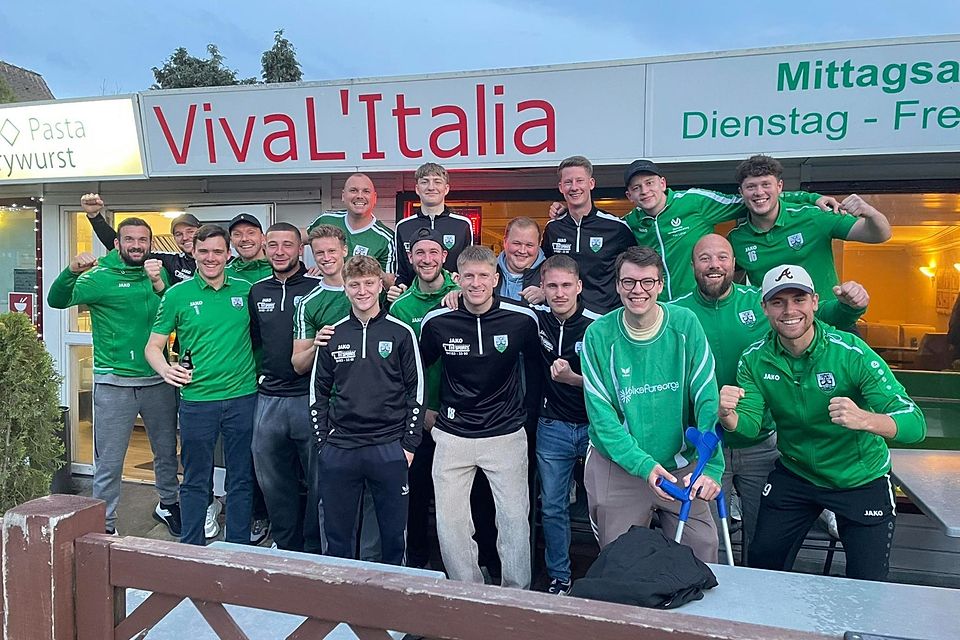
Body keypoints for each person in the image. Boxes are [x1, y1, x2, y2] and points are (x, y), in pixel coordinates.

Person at [718, 264, 926, 581]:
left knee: (869, 584)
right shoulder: (755, 358)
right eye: (778, 302)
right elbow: (750, 424)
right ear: (764, 308)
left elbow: (915, 423)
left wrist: (866, 419)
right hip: (797, 473)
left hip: (859, 478)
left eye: (799, 299)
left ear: (815, 302)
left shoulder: (851, 352)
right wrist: (729, 417)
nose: (790, 311)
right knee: (762, 567)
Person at [671, 234, 869, 561]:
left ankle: (753, 593)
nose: (714, 265)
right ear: (692, 265)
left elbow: (823, 316)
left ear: (734, 263)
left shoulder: (762, 301)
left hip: (761, 444)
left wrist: (852, 305)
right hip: (703, 446)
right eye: (704, 258)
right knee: (704, 538)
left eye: (722, 257)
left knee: (763, 540)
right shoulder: (675, 312)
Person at [580, 246, 722, 563]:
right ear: (617, 285)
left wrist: (712, 467)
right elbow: (602, 420)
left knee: (703, 549)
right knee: (619, 560)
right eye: (629, 282)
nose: (638, 290)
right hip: (620, 464)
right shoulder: (598, 335)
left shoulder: (685, 324)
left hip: (679, 464)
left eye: (647, 282)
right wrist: (643, 466)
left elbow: (707, 397)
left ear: (660, 285)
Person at [47, 215, 180, 537]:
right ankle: (104, 525)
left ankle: (168, 504)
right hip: (114, 383)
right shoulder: (99, 277)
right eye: (129, 239)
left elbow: (177, 311)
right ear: (117, 243)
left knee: (166, 452)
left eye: (142, 240)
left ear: (150, 244)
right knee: (109, 461)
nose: (136, 245)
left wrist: (160, 284)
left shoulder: (156, 272)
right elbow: (56, 300)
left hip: (158, 380)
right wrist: (71, 271)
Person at [419, 246, 541, 588]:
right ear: (457, 279)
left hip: (505, 434)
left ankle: (516, 593)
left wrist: (526, 417)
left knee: (514, 520)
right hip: (453, 434)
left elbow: (537, 368)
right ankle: (468, 590)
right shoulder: (437, 321)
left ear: (496, 279)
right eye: (469, 276)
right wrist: (425, 411)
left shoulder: (522, 318)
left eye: (483, 276)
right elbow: (416, 369)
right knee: (451, 523)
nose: (476, 283)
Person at [145, 224, 258, 546]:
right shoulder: (177, 295)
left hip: (243, 397)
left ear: (228, 254)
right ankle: (191, 549)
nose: (211, 258)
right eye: (204, 251)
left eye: (218, 252)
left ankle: (237, 547)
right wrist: (166, 370)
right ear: (193, 252)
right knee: (196, 479)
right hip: (197, 401)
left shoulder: (246, 290)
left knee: (241, 478)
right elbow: (153, 347)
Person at [311, 256, 424, 566]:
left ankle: (391, 593)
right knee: (337, 536)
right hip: (341, 448)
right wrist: (323, 442)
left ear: (380, 286)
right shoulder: (333, 334)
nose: (362, 291)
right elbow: (318, 392)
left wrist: (409, 444)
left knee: (393, 536)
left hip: (388, 447)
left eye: (369, 283)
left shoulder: (401, 332)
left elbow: (416, 390)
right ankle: (340, 592)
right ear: (345, 288)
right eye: (355, 285)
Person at [620, 160, 839, 301]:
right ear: (629, 196)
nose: (645, 191)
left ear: (662, 183)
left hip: (698, 303)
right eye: (637, 188)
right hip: (660, 307)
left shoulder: (693, 202)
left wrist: (809, 198)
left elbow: (753, 199)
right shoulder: (631, 222)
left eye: (649, 183)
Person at [248, 222, 323, 552]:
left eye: (288, 245)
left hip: (309, 397)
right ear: (265, 248)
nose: (280, 252)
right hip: (269, 399)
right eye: (274, 245)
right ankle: (285, 543)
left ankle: (314, 547)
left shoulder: (318, 288)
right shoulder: (257, 291)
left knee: (318, 480)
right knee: (272, 480)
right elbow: (254, 341)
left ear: (300, 249)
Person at [389, 227, 459, 569]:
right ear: (410, 258)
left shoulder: (461, 293)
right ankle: (416, 562)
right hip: (420, 417)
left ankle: (456, 564)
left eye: (434, 252)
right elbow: (401, 368)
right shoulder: (401, 307)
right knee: (415, 493)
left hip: (462, 417)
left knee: (457, 498)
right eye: (420, 253)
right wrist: (422, 410)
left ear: (444, 257)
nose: (427, 259)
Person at [728, 155, 891, 300]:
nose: (759, 192)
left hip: (827, 319)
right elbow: (731, 288)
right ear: (741, 192)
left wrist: (871, 213)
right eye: (751, 187)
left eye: (766, 184)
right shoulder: (736, 239)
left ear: (779, 186)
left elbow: (879, 235)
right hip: (777, 322)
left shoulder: (813, 217)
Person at [530, 255, 600, 594]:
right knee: (552, 507)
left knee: (604, 505)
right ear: (542, 288)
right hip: (552, 426)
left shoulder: (599, 325)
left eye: (566, 285)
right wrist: (454, 293)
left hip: (594, 428)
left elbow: (614, 385)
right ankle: (560, 576)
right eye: (553, 286)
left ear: (579, 286)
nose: (560, 293)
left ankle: (608, 574)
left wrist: (574, 379)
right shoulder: (535, 319)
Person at [541, 156, 635, 313]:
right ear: (561, 187)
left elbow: (634, 271)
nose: (574, 187)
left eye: (580, 181)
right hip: (566, 318)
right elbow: (543, 269)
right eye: (568, 182)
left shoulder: (617, 227)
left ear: (591, 183)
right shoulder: (553, 228)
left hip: (604, 317)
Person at [80, 193, 200, 284]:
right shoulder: (173, 261)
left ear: (201, 232)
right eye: (178, 234)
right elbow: (125, 248)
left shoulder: (212, 258)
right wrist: (95, 217)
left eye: (190, 232)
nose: (185, 237)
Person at [306, 173, 397, 286]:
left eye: (366, 191)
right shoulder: (327, 219)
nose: (359, 196)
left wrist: (367, 268)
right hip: (329, 294)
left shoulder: (386, 238)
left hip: (363, 296)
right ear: (343, 196)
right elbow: (296, 239)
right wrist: (324, 266)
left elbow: (390, 282)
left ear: (374, 198)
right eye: (353, 190)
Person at [394, 162, 473, 287]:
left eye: (437, 182)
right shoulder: (403, 227)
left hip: (452, 295)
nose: (431, 187)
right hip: (416, 296)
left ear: (446, 189)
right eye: (425, 182)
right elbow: (401, 272)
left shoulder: (462, 225)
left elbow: (469, 268)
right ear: (417, 189)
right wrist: (400, 287)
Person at [291, 226, 352, 376]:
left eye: (332, 251)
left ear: (344, 250)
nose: (326, 257)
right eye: (319, 253)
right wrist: (316, 346)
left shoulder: (368, 290)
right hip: (333, 387)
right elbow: (298, 365)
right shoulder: (308, 303)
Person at [496, 217, 545, 305]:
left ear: (539, 244)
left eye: (529, 245)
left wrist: (547, 297)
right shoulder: (488, 271)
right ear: (505, 241)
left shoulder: (550, 274)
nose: (522, 251)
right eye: (517, 243)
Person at [224, 213, 272, 284]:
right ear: (231, 241)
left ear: (263, 238)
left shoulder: (279, 269)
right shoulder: (225, 274)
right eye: (237, 234)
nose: (244, 238)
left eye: (251, 233)